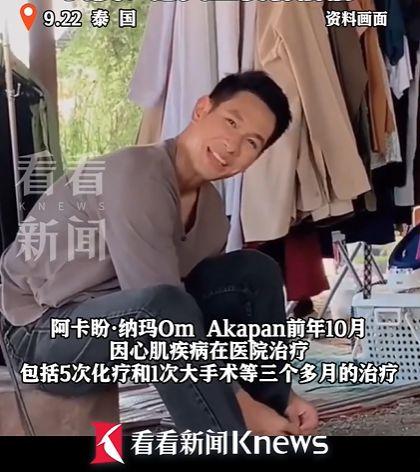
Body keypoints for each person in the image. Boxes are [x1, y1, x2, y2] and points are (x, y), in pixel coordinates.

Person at [0, 71, 318, 436]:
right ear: (202, 109)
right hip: (36, 334)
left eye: (251, 143)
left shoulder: (213, 215)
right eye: (231, 122)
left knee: (253, 272)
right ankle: (227, 437)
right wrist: (239, 404)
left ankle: (277, 410)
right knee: (163, 305)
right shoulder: (135, 174)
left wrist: (285, 395)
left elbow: (196, 320)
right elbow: (160, 314)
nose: (232, 146)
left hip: (117, 328)